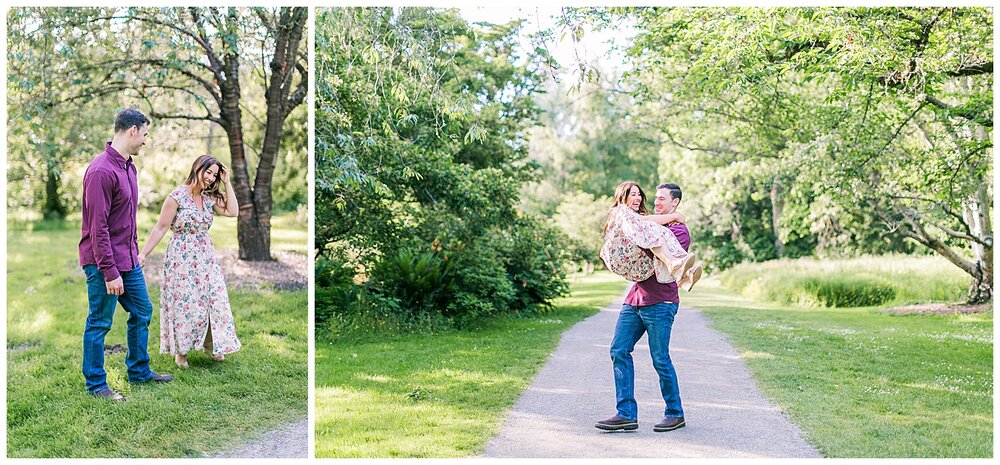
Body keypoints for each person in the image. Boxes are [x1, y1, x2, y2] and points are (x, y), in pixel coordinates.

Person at [80, 108, 173, 401]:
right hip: (102, 262)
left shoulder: (128, 167)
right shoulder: (100, 171)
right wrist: (110, 273)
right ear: (132, 130)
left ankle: (139, 371)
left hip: (127, 259)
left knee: (143, 310)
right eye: (145, 134)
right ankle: (96, 385)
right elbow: (99, 229)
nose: (146, 140)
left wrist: (133, 257)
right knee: (100, 322)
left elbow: (124, 220)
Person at [596, 182, 693, 432]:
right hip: (635, 300)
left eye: (663, 199)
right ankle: (625, 413)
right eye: (656, 198)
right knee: (618, 350)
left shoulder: (679, 231)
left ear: (675, 203)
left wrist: (632, 230)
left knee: (660, 359)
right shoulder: (643, 222)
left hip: (661, 302)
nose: (657, 202)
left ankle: (675, 413)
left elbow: (645, 249)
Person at [139, 155, 241, 369]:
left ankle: (212, 343)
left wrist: (227, 181)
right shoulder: (176, 197)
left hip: (206, 256)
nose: (211, 178)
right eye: (209, 173)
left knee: (215, 298)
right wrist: (143, 254)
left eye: (215, 175)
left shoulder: (208, 197)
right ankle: (182, 352)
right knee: (187, 302)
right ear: (197, 168)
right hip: (182, 257)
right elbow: (160, 227)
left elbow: (233, 211)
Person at [599, 181, 702, 289]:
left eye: (639, 194)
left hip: (639, 267)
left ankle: (683, 275)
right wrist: (675, 216)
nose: (638, 198)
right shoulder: (619, 210)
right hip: (618, 259)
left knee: (661, 232)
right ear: (622, 197)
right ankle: (672, 263)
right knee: (653, 228)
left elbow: (646, 220)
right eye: (633, 194)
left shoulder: (677, 229)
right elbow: (646, 220)